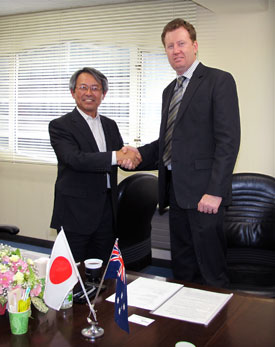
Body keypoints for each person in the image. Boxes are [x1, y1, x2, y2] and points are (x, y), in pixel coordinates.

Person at [126, 18, 241, 287]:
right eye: (169, 46)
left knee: (210, 270)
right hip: (175, 193)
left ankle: (217, 329)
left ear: (195, 46)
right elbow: (168, 143)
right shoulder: (170, 90)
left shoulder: (218, 81)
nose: (175, 50)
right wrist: (137, 154)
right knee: (183, 268)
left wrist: (215, 191)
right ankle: (183, 326)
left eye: (181, 43)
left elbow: (228, 140)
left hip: (205, 195)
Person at [49, 67, 141, 263]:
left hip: (107, 212)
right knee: (73, 274)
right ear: (73, 92)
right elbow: (75, 159)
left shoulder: (110, 124)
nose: (89, 93)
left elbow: (120, 160)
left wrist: (137, 156)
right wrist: (117, 155)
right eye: (83, 87)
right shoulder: (60, 125)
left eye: (95, 88)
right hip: (76, 213)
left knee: (104, 272)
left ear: (103, 94)